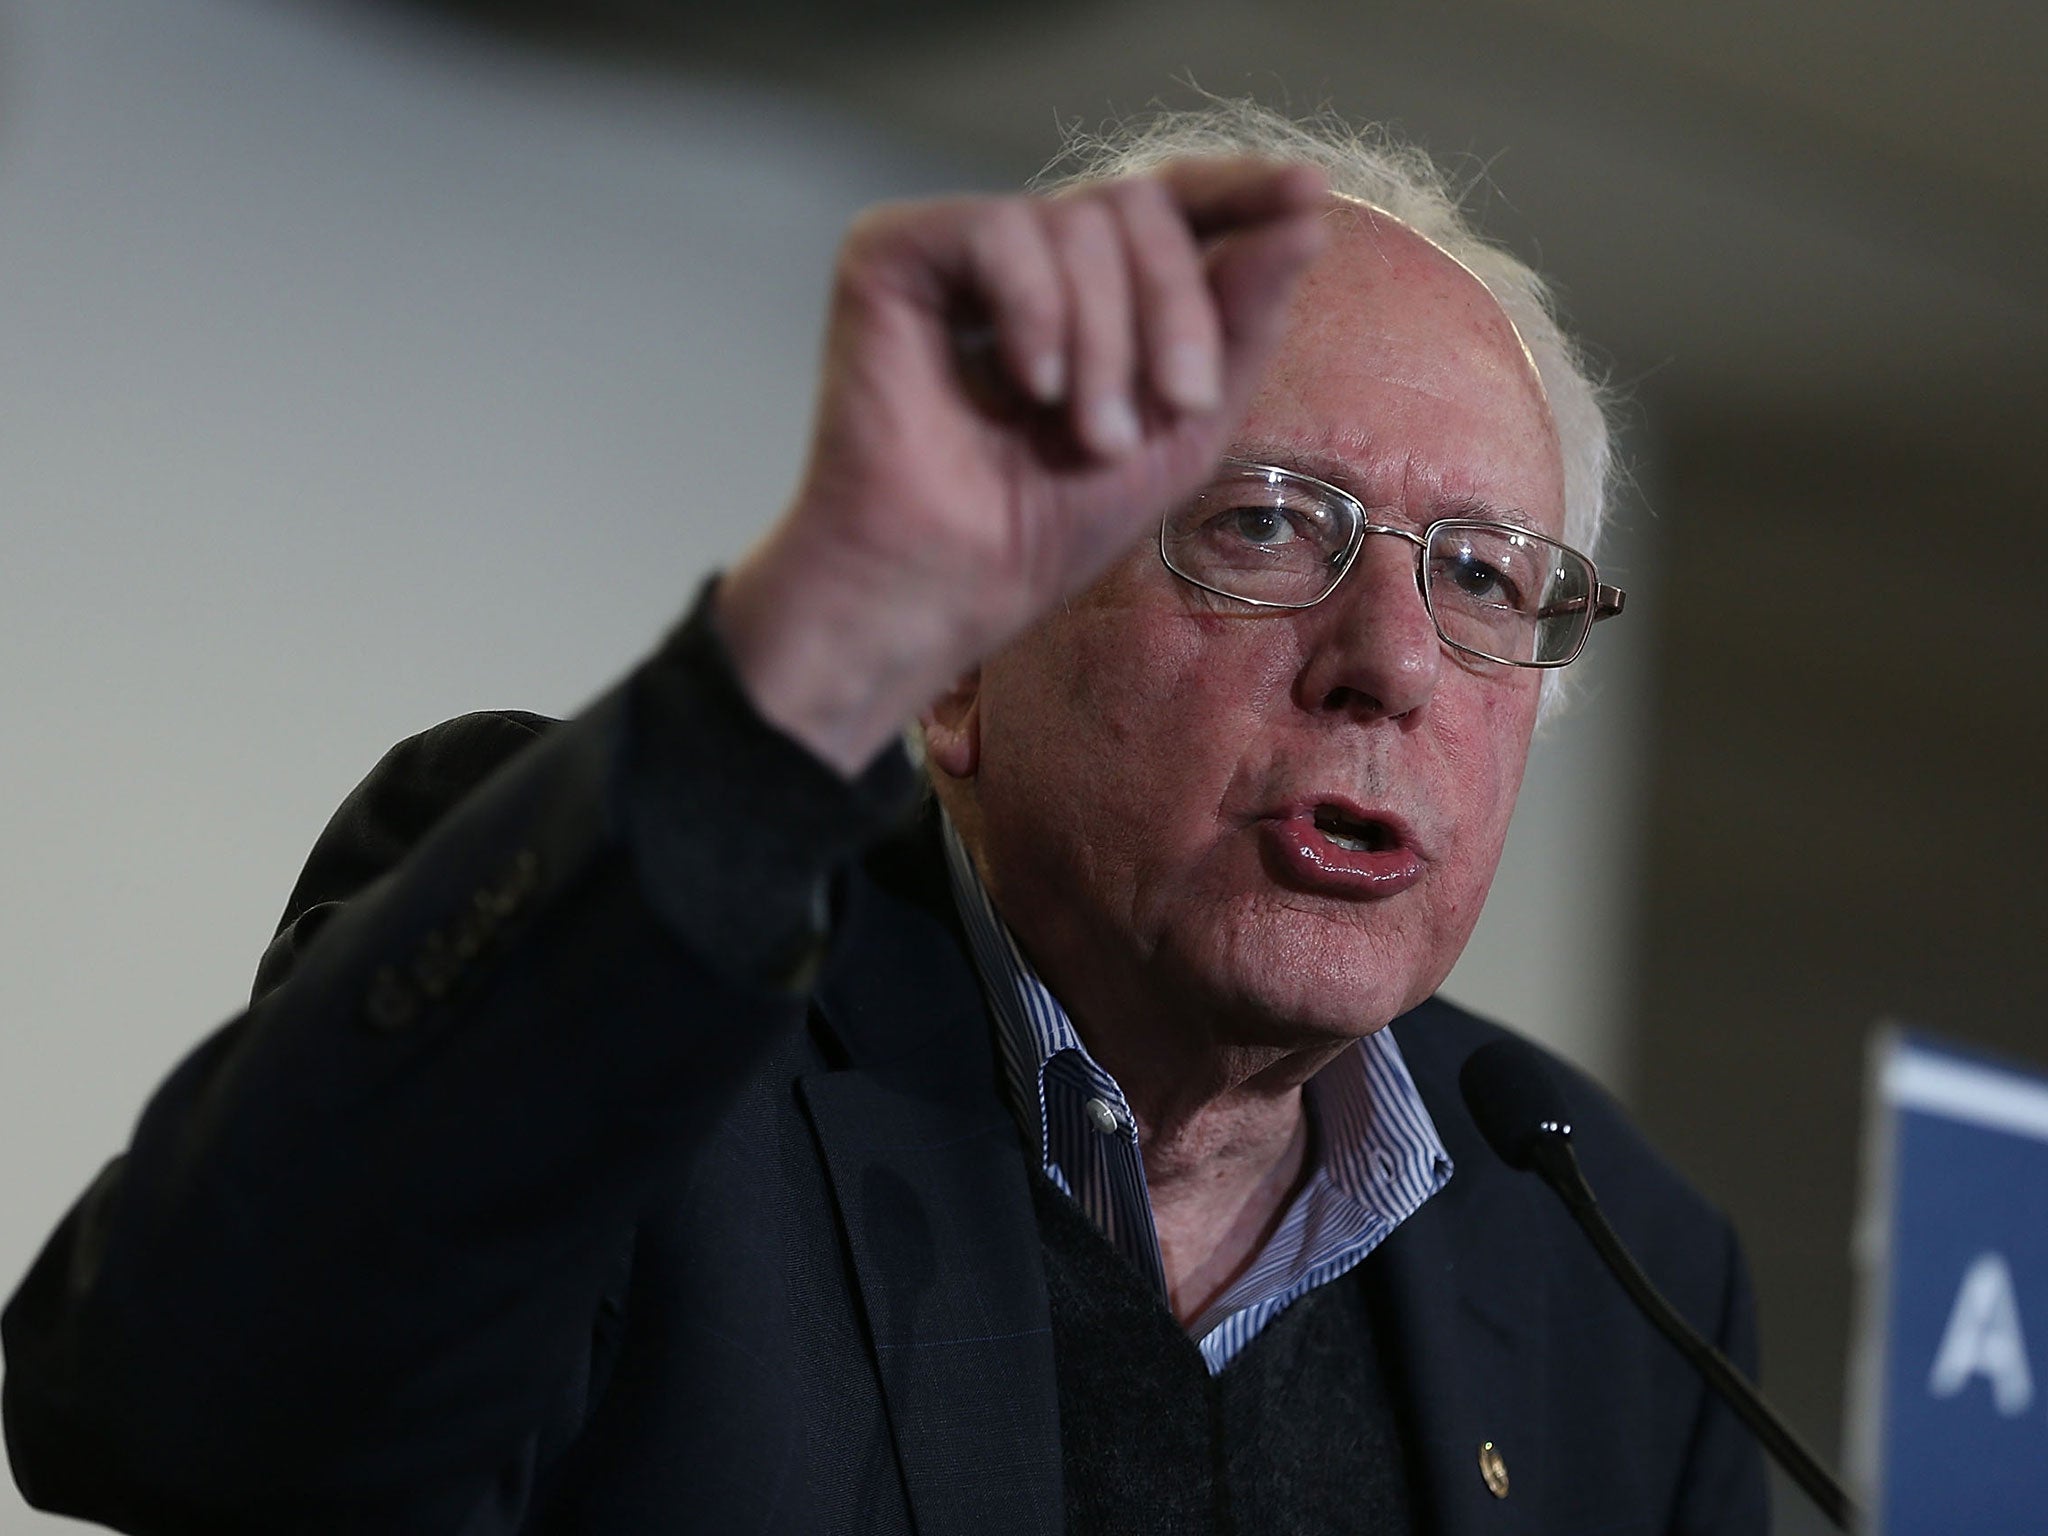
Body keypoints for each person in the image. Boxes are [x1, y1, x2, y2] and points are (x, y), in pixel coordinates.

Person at [3, 102, 1766, 1533]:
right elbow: (186, 1421)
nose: (1386, 660)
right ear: (963, 656)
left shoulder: (1616, 1269)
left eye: (1482, 575)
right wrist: (798, 655)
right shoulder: (643, 1007)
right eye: (1262, 526)